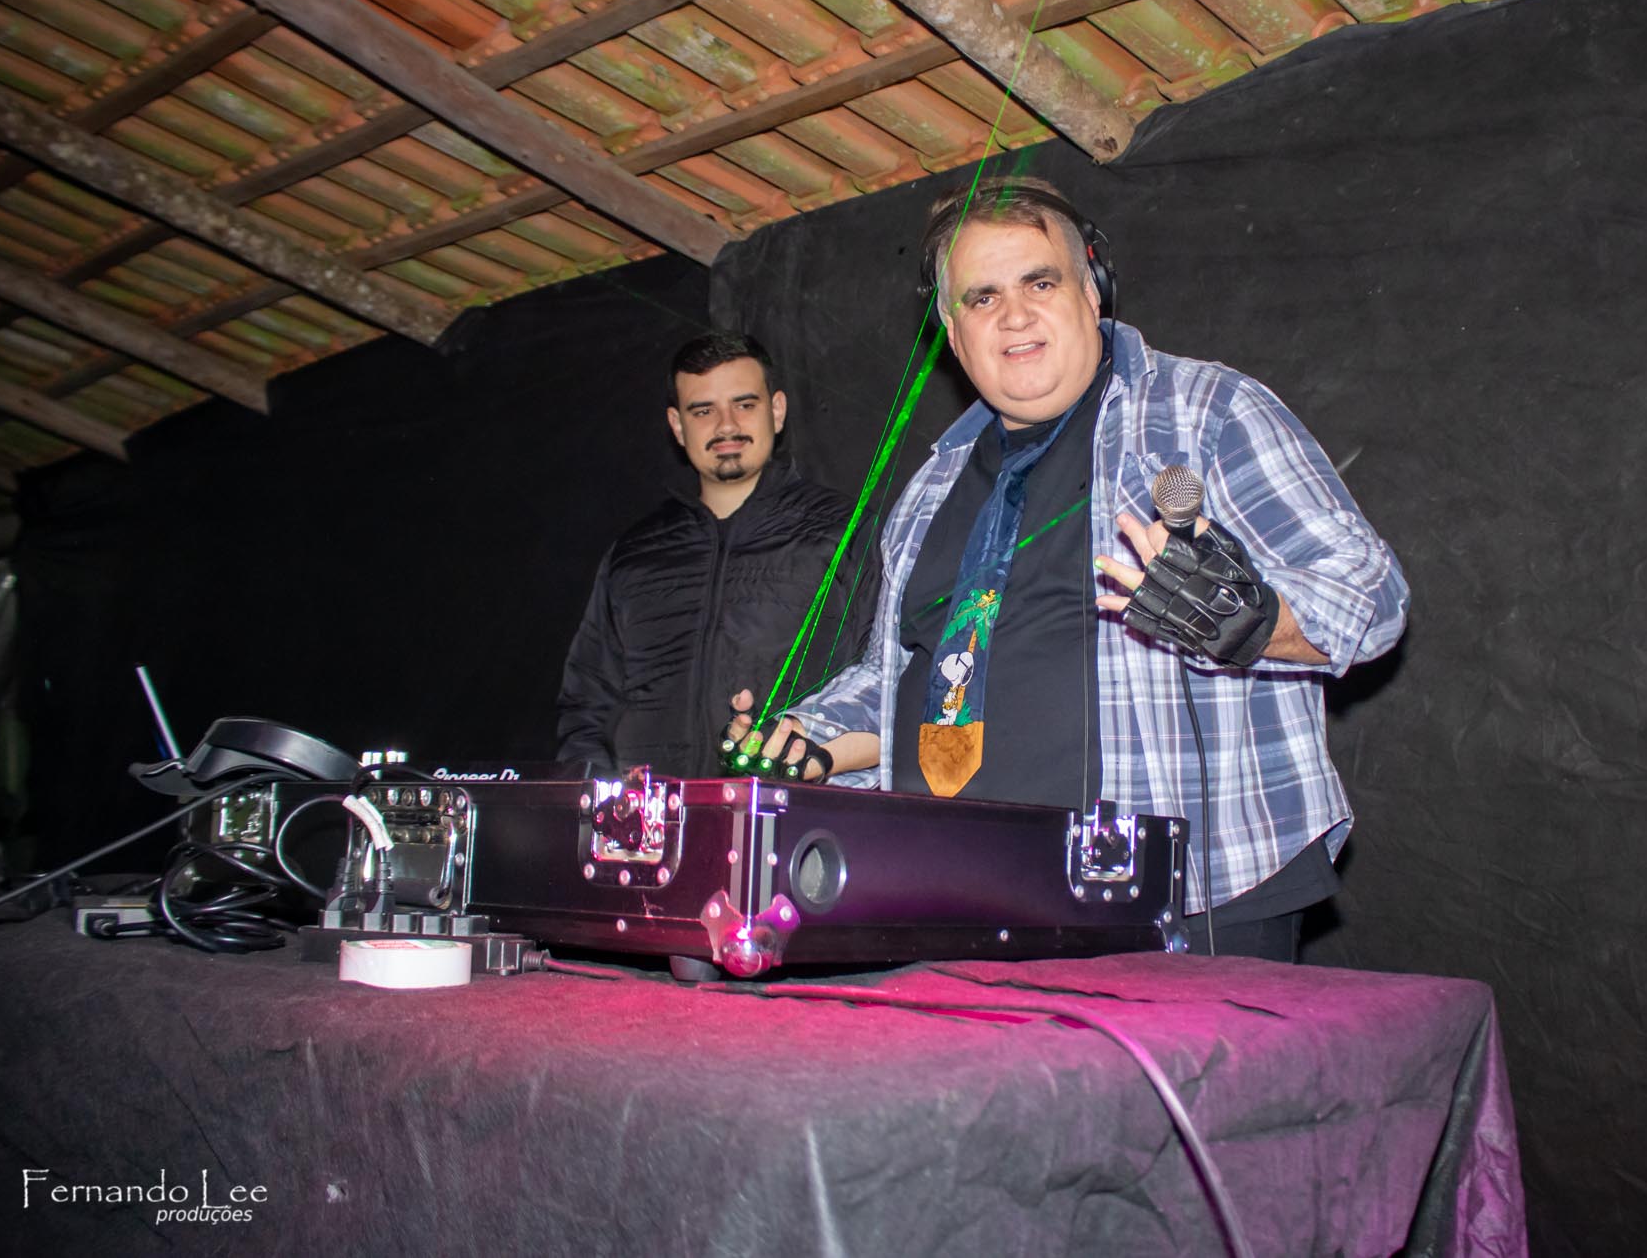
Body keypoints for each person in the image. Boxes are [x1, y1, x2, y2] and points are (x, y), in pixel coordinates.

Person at [727, 179, 1408, 961]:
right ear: (952, 331)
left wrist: (1248, 619)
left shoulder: (1204, 412)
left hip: (1186, 901)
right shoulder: (931, 487)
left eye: (1040, 283)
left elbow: (1372, 596)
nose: (1014, 315)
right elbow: (905, 677)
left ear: (1093, 290)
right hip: (954, 899)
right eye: (982, 297)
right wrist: (808, 737)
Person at [558, 331, 858, 776]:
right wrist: (601, 798)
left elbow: (884, 682)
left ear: (776, 411)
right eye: (703, 411)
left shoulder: (843, 530)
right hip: (647, 815)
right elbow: (587, 702)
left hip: (789, 808)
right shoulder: (636, 553)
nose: (726, 425)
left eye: (744, 404)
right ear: (678, 426)